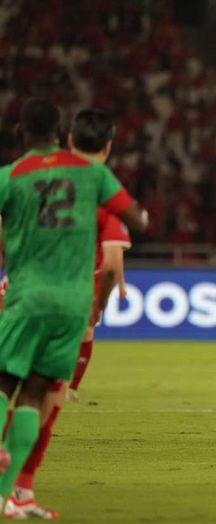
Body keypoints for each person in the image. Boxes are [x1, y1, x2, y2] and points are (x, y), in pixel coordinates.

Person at [0, 98, 148, 514]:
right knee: (41, 395)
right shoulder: (94, 179)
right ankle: (15, 491)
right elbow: (132, 227)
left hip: (23, 292)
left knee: (6, 384)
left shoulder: (13, 177)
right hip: (71, 302)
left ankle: (10, 486)